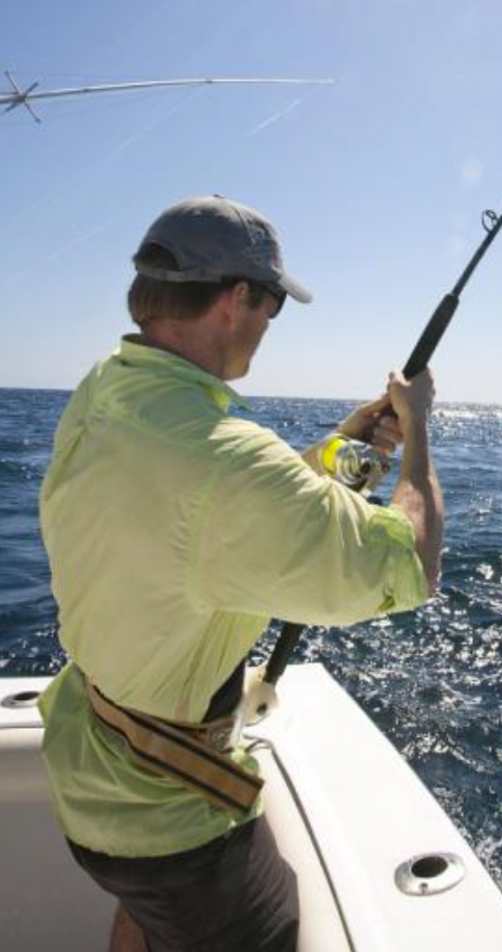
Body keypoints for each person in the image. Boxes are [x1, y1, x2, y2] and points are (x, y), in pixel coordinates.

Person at [38, 195, 444, 951]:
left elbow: (198, 510)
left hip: (88, 764)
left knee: (150, 922)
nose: (266, 325)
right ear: (236, 300)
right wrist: (415, 433)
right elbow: (410, 565)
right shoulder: (225, 459)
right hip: (173, 821)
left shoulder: (110, 388)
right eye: (271, 308)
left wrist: (344, 448)